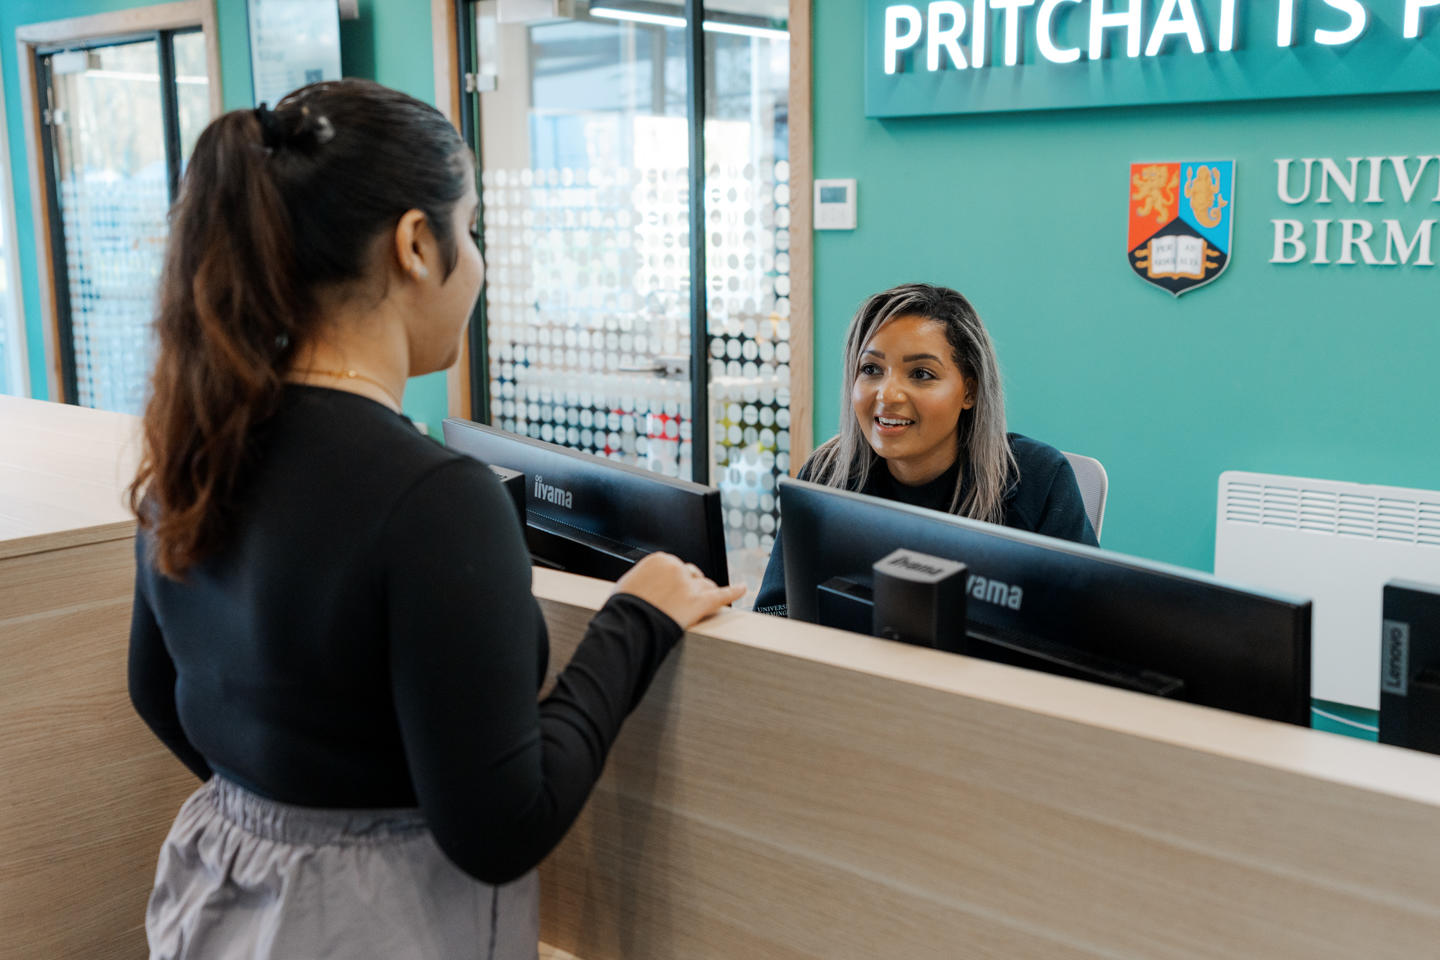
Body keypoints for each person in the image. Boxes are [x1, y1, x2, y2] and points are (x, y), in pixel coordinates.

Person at [126, 80, 744, 959]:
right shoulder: (435, 499)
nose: (480, 263)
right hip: (369, 926)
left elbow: (158, 693)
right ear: (418, 244)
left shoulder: (193, 444)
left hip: (220, 897)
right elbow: (500, 827)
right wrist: (636, 620)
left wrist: (292, 807)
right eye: (474, 227)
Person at [754, 282, 1096, 616]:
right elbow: (775, 610)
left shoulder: (1040, 481)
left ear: (969, 391)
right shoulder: (826, 474)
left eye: (921, 373)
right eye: (871, 369)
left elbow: (1087, 634)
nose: (887, 395)